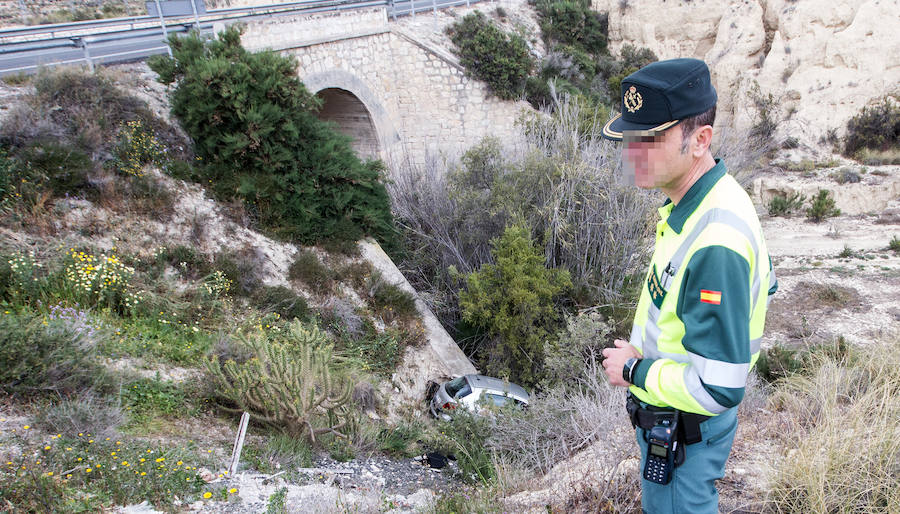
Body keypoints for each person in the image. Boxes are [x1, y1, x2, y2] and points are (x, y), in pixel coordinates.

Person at [599, 58, 777, 513]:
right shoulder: (706, 202)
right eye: (629, 139)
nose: (631, 154)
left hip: (684, 433)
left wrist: (634, 371)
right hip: (674, 425)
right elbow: (764, 285)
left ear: (700, 140)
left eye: (650, 139)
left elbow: (719, 388)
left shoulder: (716, 235)